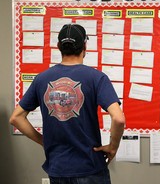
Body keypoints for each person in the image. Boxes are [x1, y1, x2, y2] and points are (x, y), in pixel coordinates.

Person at [9, 23, 125, 184]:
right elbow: (119, 119)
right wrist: (113, 147)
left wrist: (43, 141)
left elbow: (16, 118)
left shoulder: (41, 79)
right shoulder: (97, 78)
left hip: (58, 168)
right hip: (90, 166)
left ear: (58, 47)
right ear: (85, 46)